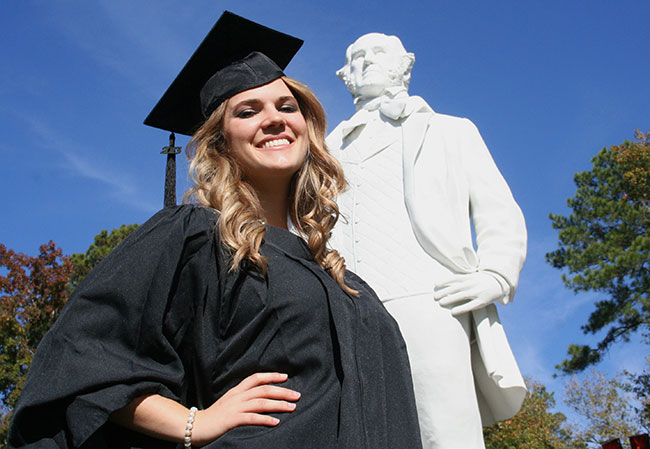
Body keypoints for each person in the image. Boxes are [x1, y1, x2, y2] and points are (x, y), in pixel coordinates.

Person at [8, 14, 422, 449]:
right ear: (220, 141)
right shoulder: (193, 237)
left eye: (287, 107)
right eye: (248, 111)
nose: (275, 119)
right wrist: (193, 422)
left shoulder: (343, 278)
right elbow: (83, 357)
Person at [326, 32, 528, 449]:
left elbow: (497, 208)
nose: (366, 62)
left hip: (431, 297)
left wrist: (497, 273)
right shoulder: (324, 152)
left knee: (444, 427)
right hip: (345, 306)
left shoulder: (450, 131)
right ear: (344, 75)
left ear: (405, 64)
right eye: (356, 57)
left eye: (377, 53)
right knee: (357, 427)